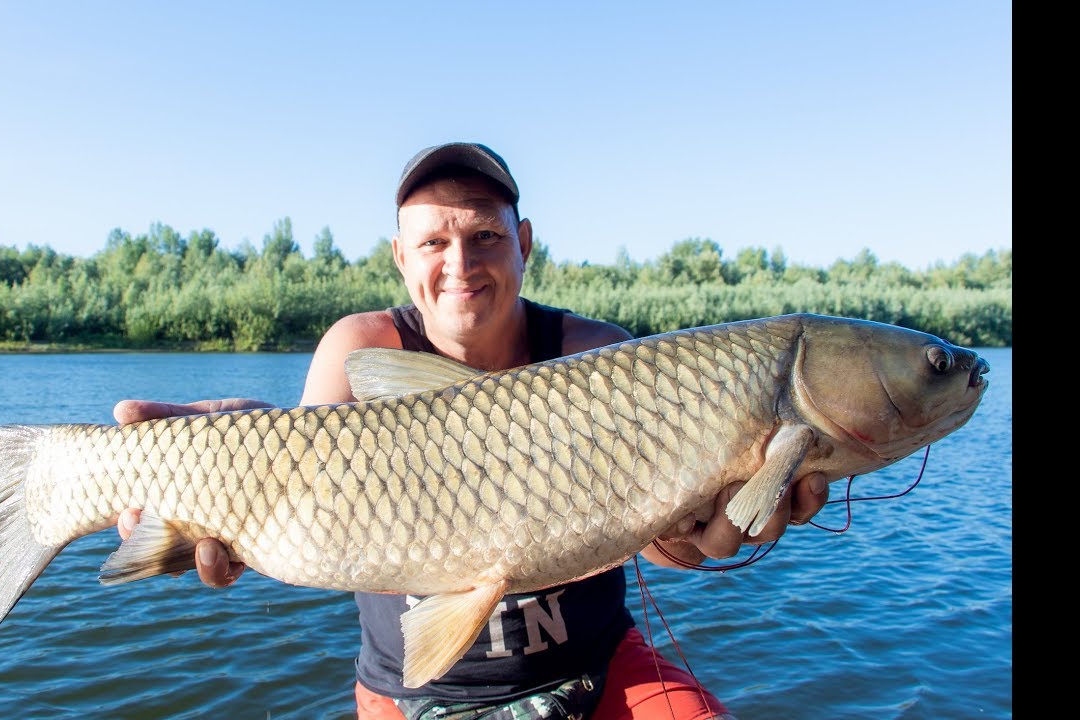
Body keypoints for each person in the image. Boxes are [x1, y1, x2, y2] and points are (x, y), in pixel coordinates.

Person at [114, 142, 831, 719]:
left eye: (485, 235)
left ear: (523, 243)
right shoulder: (360, 351)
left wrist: (697, 533)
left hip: (593, 665)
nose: (460, 264)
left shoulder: (599, 355)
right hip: (412, 692)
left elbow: (665, 544)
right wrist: (216, 498)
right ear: (400, 256)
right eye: (433, 243)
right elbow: (305, 483)